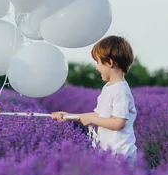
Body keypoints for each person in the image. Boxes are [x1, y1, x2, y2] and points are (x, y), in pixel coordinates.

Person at [52, 35, 138, 164]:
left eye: (98, 62)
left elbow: (118, 123)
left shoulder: (121, 91)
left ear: (109, 63)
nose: (97, 67)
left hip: (121, 156)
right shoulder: (109, 87)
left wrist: (92, 120)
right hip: (108, 154)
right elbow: (99, 115)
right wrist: (70, 116)